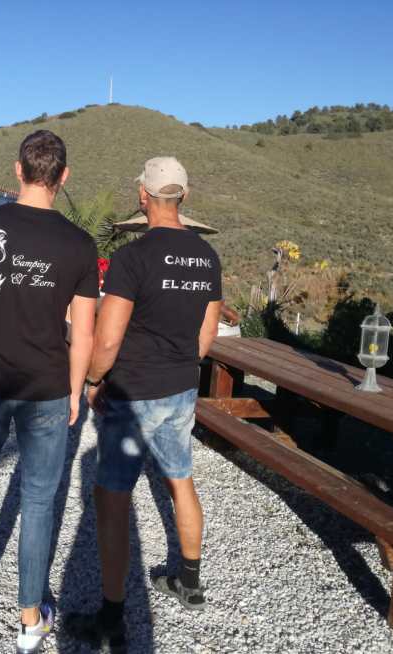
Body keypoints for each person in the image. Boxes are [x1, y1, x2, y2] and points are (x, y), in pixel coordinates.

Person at [0, 130, 99, 653]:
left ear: (18, 170)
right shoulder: (79, 245)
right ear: (64, 176)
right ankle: (30, 620)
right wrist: (75, 391)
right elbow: (84, 333)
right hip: (47, 387)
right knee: (38, 502)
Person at [66, 157, 223, 649]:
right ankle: (189, 582)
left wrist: (94, 380)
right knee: (180, 478)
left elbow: (108, 339)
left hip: (134, 392)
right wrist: (179, 366)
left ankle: (112, 617)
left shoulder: (133, 257)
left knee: (112, 496)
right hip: (182, 386)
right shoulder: (207, 257)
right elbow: (205, 338)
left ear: (143, 197)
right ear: (184, 197)